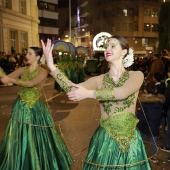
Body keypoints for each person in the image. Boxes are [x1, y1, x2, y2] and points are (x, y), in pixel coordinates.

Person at [41, 36, 151, 169]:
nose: (107, 49)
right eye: (106, 46)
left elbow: (123, 92)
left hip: (130, 142)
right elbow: (72, 89)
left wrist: (89, 94)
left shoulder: (136, 75)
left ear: (124, 52)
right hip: (104, 139)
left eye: (113, 46)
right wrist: (52, 66)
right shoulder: (99, 80)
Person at [0, 47, 72, 170]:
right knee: (18, 134)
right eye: (26, 53)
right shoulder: (22, 69)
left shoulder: (43, 71)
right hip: (20, 106)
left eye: (30, 53)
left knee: (38, 135)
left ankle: (38, 161)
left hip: (36, 106)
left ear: (38, 57)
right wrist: (2, 75)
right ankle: (20, 160)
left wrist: (11, 80)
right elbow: (4, 79)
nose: (26, 55)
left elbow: (30, 83)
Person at [137, 81, 165, 164]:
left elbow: (140, 117)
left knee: (141, 139)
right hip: (155, 126)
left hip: (145, 126)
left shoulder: (144, 103)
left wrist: (137, 126)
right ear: (155, 90)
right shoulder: (160, 102)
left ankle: (138, 153)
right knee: (154, 141)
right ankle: (154, 156)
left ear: (146, 91)